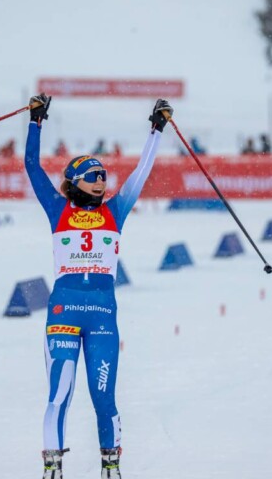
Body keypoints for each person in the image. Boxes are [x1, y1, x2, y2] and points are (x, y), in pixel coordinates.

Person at [25, 93, 171, 479]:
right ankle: (52, 469)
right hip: (63, 315)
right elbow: (31, 165)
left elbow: (142, 169)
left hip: (103, 319)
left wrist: (157, 129)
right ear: (75, 183)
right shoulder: (58, 209)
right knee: (59, 396)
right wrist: (35, 122)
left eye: (103, 175)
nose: (102, 180)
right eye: (93, 176)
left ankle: (111, 467)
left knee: (103, 398)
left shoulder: (115, 210)